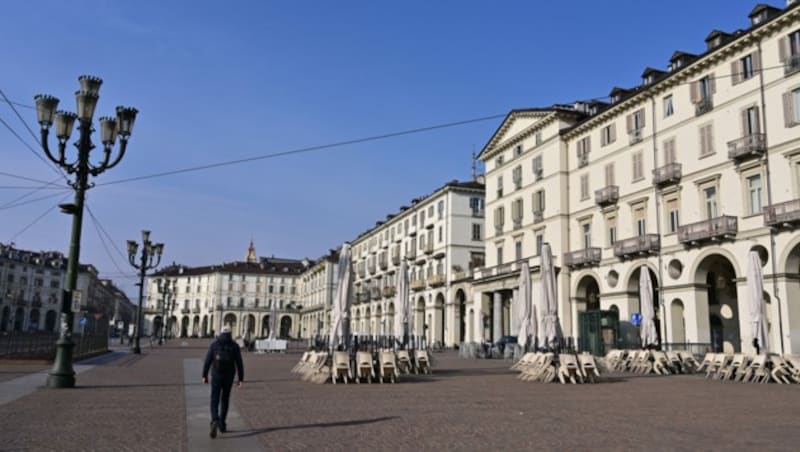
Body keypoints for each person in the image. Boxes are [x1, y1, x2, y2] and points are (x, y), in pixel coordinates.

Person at [202, 325, 244, 438]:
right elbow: (239, 363)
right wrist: (240, 379)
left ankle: (214, 419)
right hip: (229, 376)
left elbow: (208, 360)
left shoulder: (214, 345)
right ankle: (222, 424)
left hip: (216, 374)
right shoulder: (234, 346)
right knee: (225, 399)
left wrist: (204, 375)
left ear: (220, 333)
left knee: (214, 398)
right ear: (230, 333)